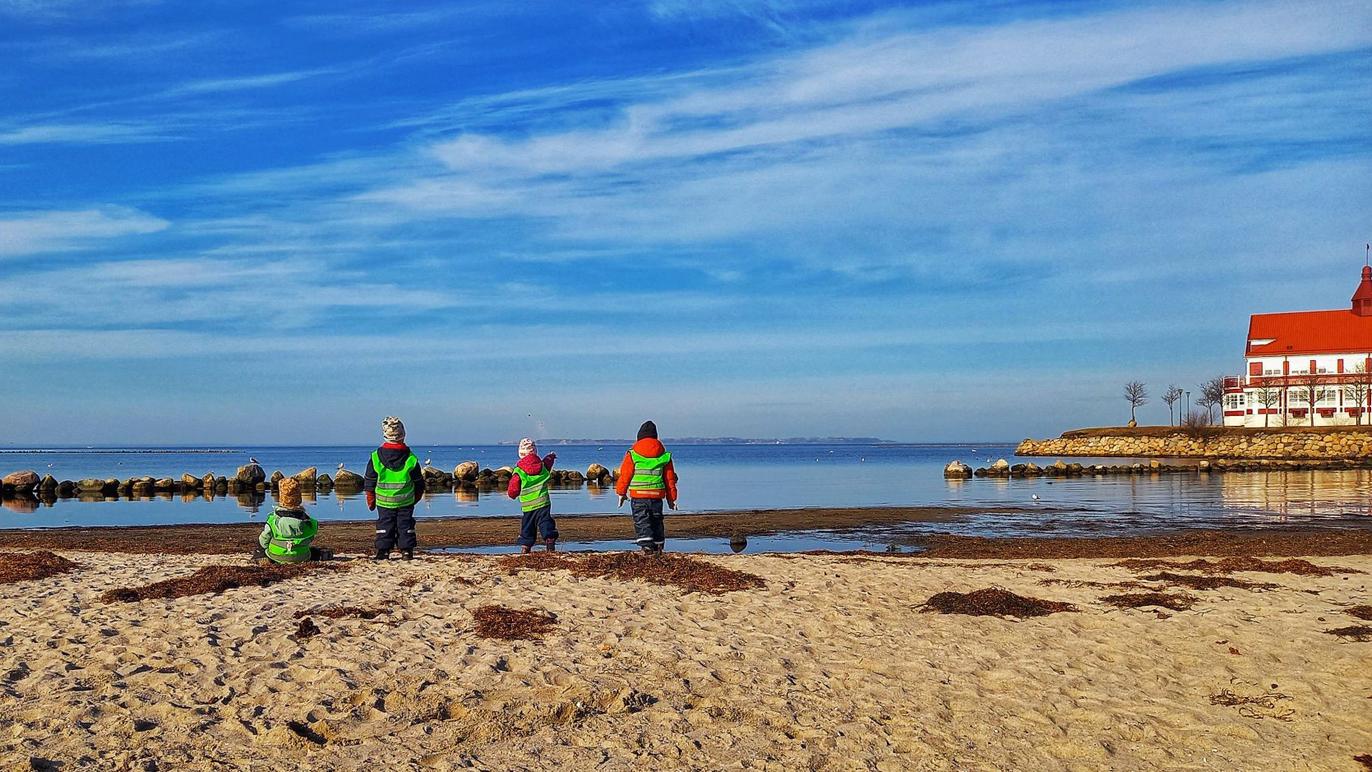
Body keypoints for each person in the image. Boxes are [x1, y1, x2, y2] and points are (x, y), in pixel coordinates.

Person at [364, 416, 425, 560]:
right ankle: (406, 551)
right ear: (403, 435)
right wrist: (416, 497)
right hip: (405, 500)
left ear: (385, 435)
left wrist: (370, 497)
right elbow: (419, 482)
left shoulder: (375, 457)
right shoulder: (411, 458)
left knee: (385, 524)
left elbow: (369, 479)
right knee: (405, 525)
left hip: (384, 501)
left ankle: (383, 551)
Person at [615, 420, 679, 553]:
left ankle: (646, 546)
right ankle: (658, 544)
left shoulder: (632, 454)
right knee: (656, 520)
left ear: (638, 438)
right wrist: (671, 498)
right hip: (656, 496)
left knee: (641, 521)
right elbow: (669, 479)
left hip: (638, 496)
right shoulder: (664, 456)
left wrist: (621, 493)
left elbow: (625, 475)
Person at [255, 477, 329, 563]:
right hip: (302, 557)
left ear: (280, 499)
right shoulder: (308, 521)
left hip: (276, 556)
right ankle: (318, 555)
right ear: (300, 498)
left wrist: (265, 549)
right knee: (313, 551)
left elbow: (264, 540)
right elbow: (310, 538)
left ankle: (260, 557)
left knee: (263, 544)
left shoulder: (273, 520)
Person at [507, 438, 558, 553]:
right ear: (535, 452)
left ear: (521, 454)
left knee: (528, 525)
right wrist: (551, 456)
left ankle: (526, 546)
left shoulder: (519, 471)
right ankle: (550, 540)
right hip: (543, 502)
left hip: (528, 505)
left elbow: (513, 488)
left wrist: (512, 494)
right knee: (545, 522)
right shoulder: (542, 466)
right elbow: (548, 462)